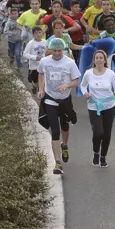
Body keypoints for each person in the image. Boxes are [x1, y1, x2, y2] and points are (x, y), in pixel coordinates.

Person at [37, 37, 81, 175]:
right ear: (50, 50)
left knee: (64, 126)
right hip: (50, 99)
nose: (57, 53)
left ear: (63, 50)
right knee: (55, 131)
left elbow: (76, 81)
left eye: (59, 51)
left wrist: (67, 85)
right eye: (54, 51)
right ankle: (57, 163)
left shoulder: (70, 63)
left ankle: (65, 145)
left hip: (65, 100)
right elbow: (41, 74)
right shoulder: (44, 61)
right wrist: (41, 89)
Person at [79, 50, 115, 167]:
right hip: (94, 106)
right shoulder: (88, 73)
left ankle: (103, 156)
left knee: (107, 134)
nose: (98, 60)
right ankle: (96, 152)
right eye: (96, 58)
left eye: (101, 58)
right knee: (98, 133)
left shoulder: (110, 74)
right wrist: (85, 93)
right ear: (94, 60)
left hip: (109, 106)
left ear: (105, 60)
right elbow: (82, 85)